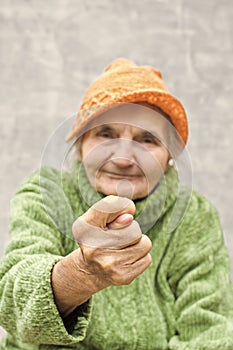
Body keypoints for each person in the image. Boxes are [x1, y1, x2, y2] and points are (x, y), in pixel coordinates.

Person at [0, 58, 233, 350]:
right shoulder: (46, 192)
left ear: (169, 157)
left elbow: (210, 330)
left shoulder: (195, 215)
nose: (123, 158)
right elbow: (12, 306)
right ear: (81, 145)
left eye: (147, 139)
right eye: (105, 134)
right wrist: (82, 273)